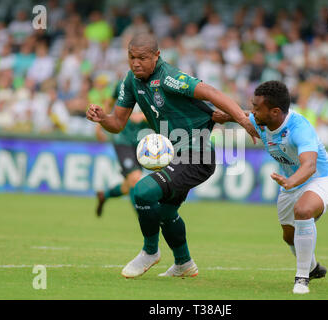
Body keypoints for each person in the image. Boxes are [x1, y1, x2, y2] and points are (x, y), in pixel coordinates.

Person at [86, 33, 257, 278]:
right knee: (166, 212)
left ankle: (150, 251)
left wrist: (241, 119)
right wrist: (102, 118)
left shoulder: (169, 77)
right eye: (132, 57)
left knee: (143, 190)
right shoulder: (131, 82)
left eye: (143, 58)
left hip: (196, 156)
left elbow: (209, 92)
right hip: (175, 156)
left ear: (157, 56)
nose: (136, 63)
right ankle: (183, 264)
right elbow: (117, 124)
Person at [213, 81, 328, 294]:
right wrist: (227, 116)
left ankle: (302, 278)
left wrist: (291, 182)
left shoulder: (300, 128)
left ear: (274, 112)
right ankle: (312, 267)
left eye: (257, 108)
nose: (252, 112)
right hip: (290, 182)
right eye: (253, 106)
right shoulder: (262, 120)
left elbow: (309, 165)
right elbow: (245, 116)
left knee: (303, 211)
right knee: (289, 237)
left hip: (320, 179)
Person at [95, 80, 149, 217]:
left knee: (128, 186)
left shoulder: (156, 85)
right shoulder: (122, 84)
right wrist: (99, 125)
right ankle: (144, 218)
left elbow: (162, 112)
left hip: (142, 141)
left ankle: (104, 195)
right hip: (123, 139)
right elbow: (109, 102)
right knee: (135, 178)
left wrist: (143, 116)